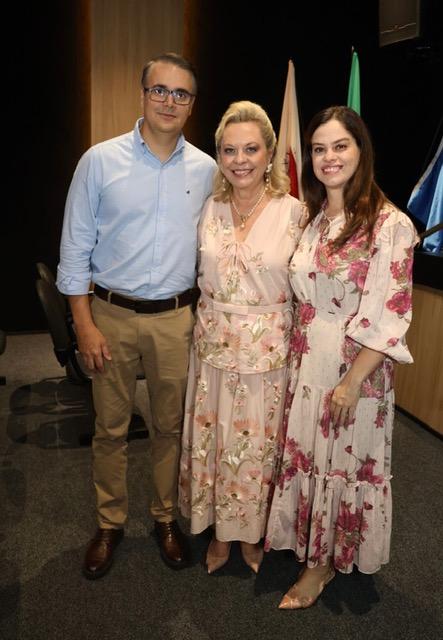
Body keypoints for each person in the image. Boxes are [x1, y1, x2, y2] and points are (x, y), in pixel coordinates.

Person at [57, 52, 216, 579]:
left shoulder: (208, 171)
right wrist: (83, 324)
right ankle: (110, 523)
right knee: (111, 428)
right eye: (159, 90)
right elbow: (74, 249)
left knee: (170, 427)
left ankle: (165, 518)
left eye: (181, 93)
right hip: (111, 316)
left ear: (192, 104)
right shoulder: (99, 161)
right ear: (143, 93)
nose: (169, 101)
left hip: (176, 319)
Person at [265, 106, 418, 608]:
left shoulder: (389, 224)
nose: (328, 157)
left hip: (354, 371)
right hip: (307, 362)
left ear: (360, 150)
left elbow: (391, 313)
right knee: (309, 458)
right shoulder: (313, 219)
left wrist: (351, 382)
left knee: (342, 465)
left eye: (340, 146)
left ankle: (321, 566)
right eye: (319, 148)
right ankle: (313, 548)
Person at [178, 101, 304, 573]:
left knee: (254, 448)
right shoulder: (208, 208)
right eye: (229, 150)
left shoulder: (295, 213)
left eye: (251, 149)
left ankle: (250, 535)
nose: (240, 160)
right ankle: (218, 533)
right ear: (219, 155)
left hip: (267, 357)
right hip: (212, 350)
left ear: (269, 153)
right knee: (215, 442)